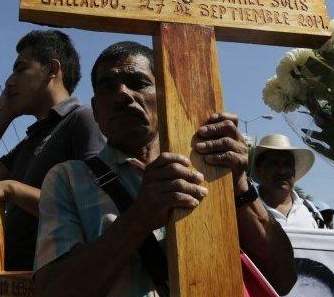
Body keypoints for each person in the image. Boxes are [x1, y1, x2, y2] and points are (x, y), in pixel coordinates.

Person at [33, 41, 297, 296]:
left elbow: (283, 279)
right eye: (108, 87)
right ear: (96, 109)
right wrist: (141, 215)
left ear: (165, 97)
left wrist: (238, 184)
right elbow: (51, 290)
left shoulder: (207, 165)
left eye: (139, 83)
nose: (123, 94)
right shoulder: (68, 178)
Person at [0, 30, 105, 270]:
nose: (10, 81)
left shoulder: (83, 120)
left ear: (52, 69)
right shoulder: (28, 144)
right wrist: (1, 115)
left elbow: (96, 208)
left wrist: (13, 189)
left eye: (20, 69)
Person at [252, 134, 324, 230]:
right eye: (274, 164)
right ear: (259, 170)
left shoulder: (311, 211)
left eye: (288, 164)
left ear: (294, 170)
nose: (282, 171)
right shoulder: (245, 208)